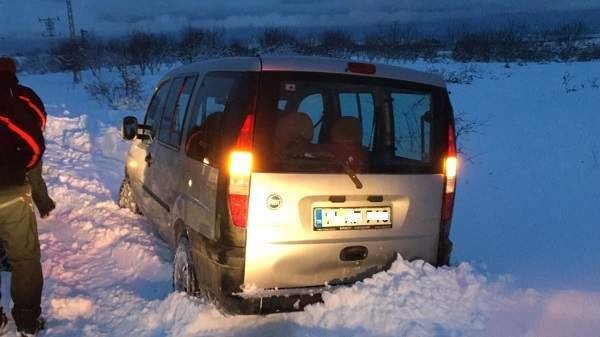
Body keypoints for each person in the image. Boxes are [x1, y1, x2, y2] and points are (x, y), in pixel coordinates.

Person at [0, 56, 48, 337]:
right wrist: (24, 166)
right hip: (9, 191)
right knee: (25, 257)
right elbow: (35, 134)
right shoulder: (16, 98)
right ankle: (28, 322)